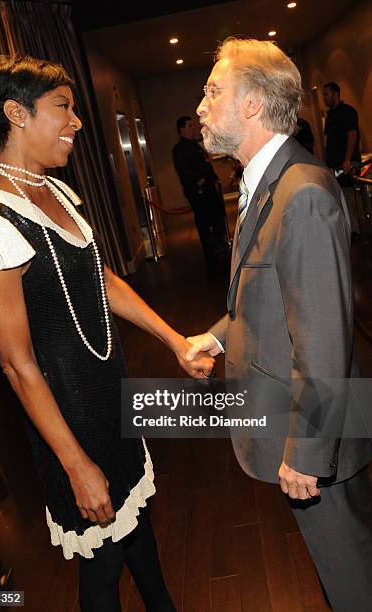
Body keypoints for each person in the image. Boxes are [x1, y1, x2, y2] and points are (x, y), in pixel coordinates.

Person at [0, 55, 214, 612]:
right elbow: (16, 365)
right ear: (16, 114)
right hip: (68, 422)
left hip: (105, 395)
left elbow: (103, 278)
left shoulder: (60, 193)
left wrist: (175, 339)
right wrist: (77, 466)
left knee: (138, 530)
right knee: (103, 569)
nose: (76, 121)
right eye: (62, 108)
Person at [185, 38, 372, 610]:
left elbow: (324, 339)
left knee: (353, 577)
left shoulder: (302, 193)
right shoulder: (266, 180)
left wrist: (309, 452)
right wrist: (216, 336)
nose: (200, 106)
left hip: (319, 433)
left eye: (213, 90)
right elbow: (266, 286)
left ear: (252, 104)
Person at [172, 115, 227, 253]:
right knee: (203, 218)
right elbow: (183, 169)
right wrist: (198, 180)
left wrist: (212, 177)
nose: (194, 128)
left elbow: (204, 164)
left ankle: (219, 241)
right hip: (198, 190)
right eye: (190, 126)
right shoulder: (179, 149)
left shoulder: (195, 145)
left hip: (208, 187)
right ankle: (209, 246)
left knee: (217, 214)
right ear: (182, 129)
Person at [323, 81, 362, 236]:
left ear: (335, 94)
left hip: (346, 164)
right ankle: (348, 229)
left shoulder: (347, 111)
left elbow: (352, 135)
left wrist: (347, 159)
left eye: (326, 94)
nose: (324, 98)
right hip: (333, 165)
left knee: (349, 196)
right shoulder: (330, 115)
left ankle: (356, 230)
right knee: (340, 196)